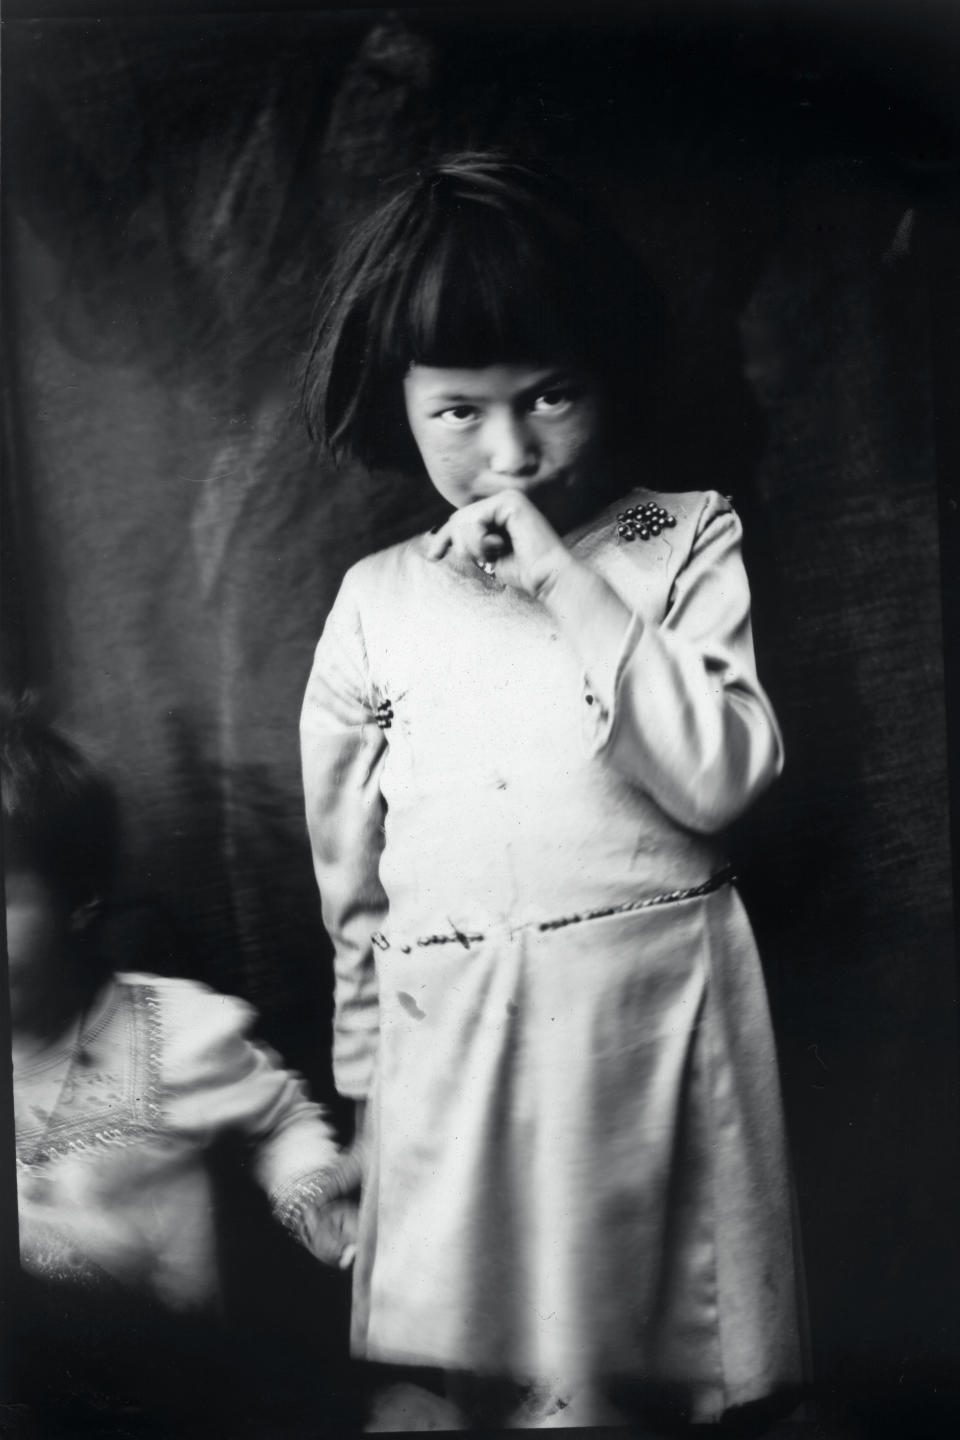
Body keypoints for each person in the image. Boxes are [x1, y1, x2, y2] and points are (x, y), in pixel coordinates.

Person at [298, 152, 804, 1431]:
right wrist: (369, 1081)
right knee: (510, 1386)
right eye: (459, 412)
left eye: (550, 397)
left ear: (607, 379)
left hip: (646, 1010)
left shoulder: (677, 541)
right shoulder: (377, 603)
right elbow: (350, 877)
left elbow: (721, 775)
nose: (510, 451)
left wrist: (566, 586)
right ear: (397, 404)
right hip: (457, 1033)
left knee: (651, 1375)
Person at [3, 693, 361, 1424]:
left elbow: (280, 1119)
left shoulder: (178, 1030)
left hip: (167, 1391)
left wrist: (310, 1195)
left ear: (79, 899)